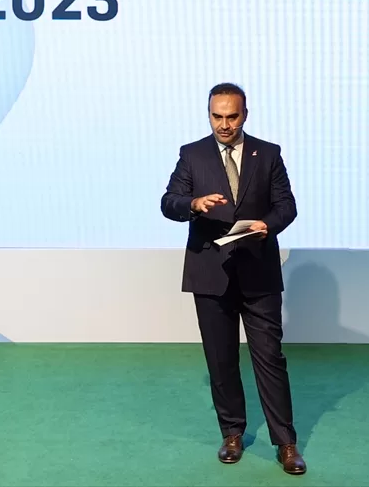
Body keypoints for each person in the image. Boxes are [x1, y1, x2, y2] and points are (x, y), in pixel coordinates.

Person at [161, 83, 305, 476]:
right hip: (210, 274)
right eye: (217, 116)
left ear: (245, 114)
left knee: (270, 359)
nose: (224, 124)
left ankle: (286, 443)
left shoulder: (268, 154)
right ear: (209, 114)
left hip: (259, 272)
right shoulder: (192, 155)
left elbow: (286, 205)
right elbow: (169, 202)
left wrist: (267, 225)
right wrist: (193, 204)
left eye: (231, 116)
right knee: (220, 360)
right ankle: (232, 434)